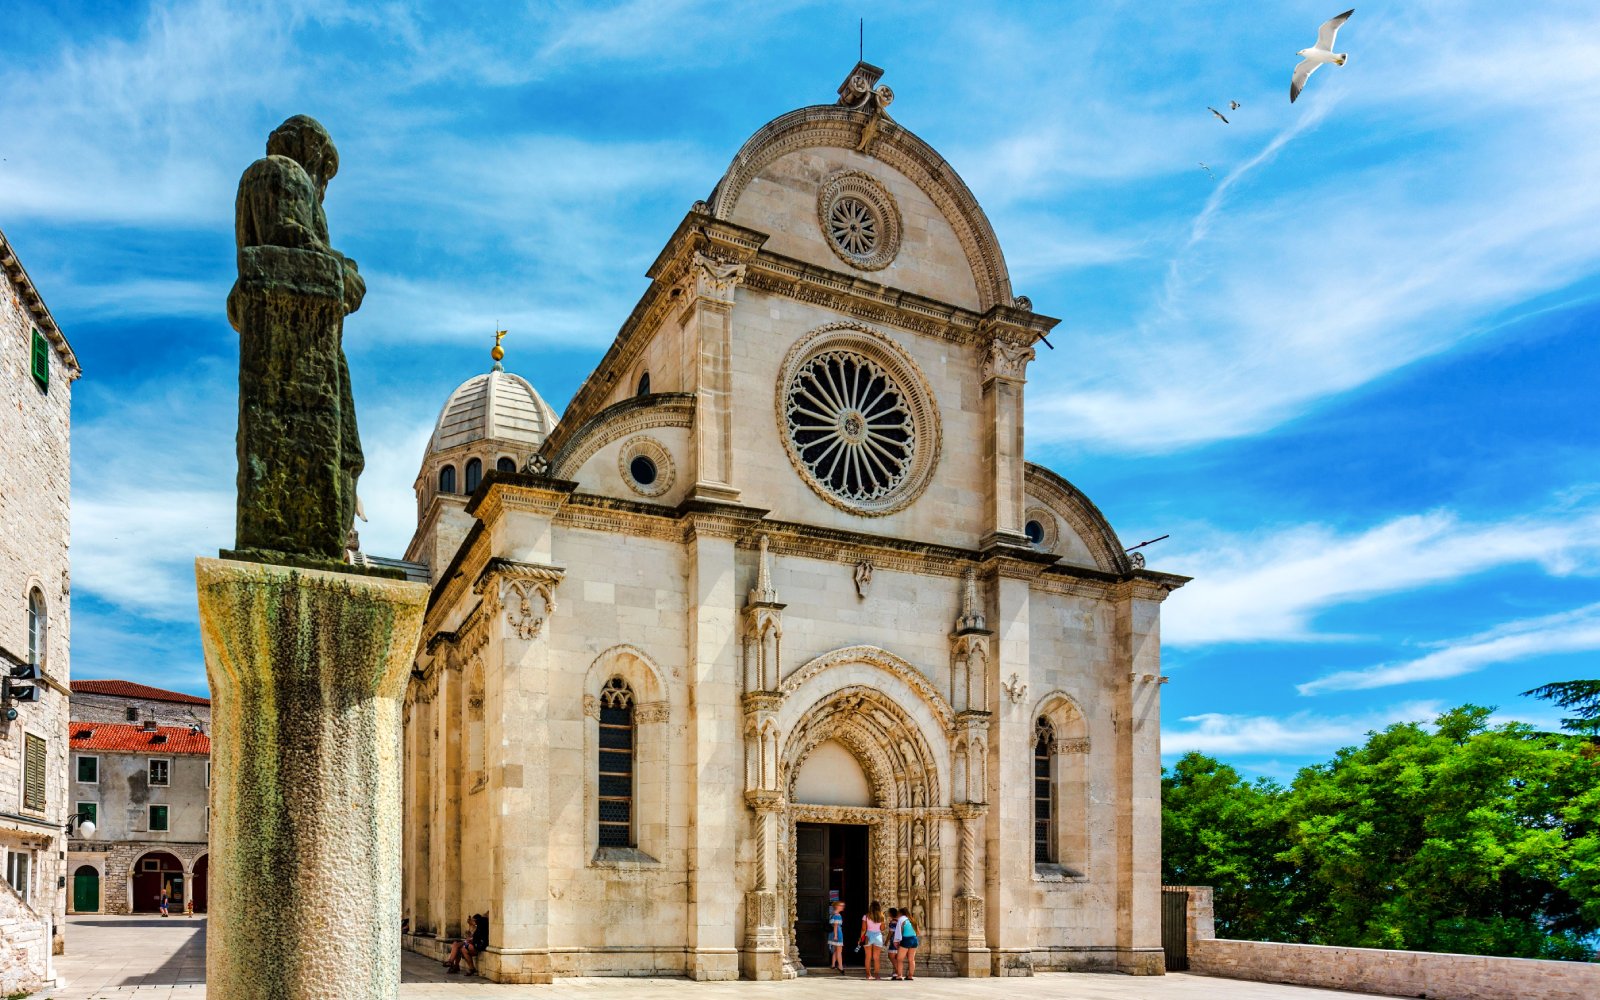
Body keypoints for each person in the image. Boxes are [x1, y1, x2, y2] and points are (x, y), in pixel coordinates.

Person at [859, 901, 885, 981]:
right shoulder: (881, 916)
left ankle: (868, 975)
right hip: (878, 936)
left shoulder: (866, 916)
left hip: (868, 936)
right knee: (876, 958)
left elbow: (863, 929)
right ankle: (876, 975)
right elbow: (882, 929)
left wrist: (860, 938)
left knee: (868, 957)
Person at [896, 906, 920, 981]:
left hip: (906, 939)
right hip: (914, 939)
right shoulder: (913, 920)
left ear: (901, 914)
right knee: (911, 959)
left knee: (899, 959)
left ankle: (899, 975)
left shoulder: (902, 920)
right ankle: (910, 976)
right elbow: (918, 932)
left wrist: (897, 941)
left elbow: (899, 932)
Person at [828, 900, 846, 973]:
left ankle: (833, 965)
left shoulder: (832, 914)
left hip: (832, 933)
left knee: (835, 950)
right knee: (839, 951)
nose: (843, 907)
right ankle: (840, 966)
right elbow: (835, 926)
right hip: (837, 933)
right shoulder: (837, 915)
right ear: (837, 906)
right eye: (841, 905)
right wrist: (836, 935)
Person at [885, 907, 900, 979]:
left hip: (893, 941)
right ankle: (895, 973)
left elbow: (890, 932)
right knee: (896, 957)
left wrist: (886, 941)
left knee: (890, 956)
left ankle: (898, 971)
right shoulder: (899, 921)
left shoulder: (893, 922)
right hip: (899, 941)